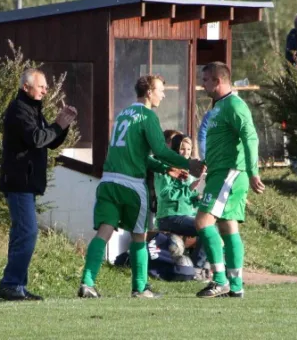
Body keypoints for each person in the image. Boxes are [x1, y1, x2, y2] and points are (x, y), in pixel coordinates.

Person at [78, 75, 204, 299]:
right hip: (131, 186)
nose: (163, 95)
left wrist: (166, 169)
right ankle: (140, 288)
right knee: (139, 236)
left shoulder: (123, 115)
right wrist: (188, 164)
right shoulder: (148, 117)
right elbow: (162, 151)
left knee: (103, 232)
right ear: (148, 92)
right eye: (160, 90)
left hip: (108, 182)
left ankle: (87, 283)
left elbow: (139, 155)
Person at [0, 68, 77, 301]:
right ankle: (10, 283)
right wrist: (57, 125)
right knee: (29, 232)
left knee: (21, 234)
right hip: (18, 182)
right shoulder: (19, 109)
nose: (45, 89)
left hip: (26, 183)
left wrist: (63, 125)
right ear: (26, 87)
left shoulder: (32, 109)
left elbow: (48, 143)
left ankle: (17, 285)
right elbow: (37, 138)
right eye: (41, 86)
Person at [194, 62, 265, 298]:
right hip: (218, 173)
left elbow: (250, 136)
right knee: (227, 227)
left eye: (205, 80)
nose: (202, 84)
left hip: (230, 173)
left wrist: (253, 171)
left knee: (203, 222)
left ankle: (220, 280)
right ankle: (236, 287)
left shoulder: (234, 105)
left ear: (217, 81)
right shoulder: (218, 107)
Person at [154, 134, 208, 279]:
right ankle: (197, 269)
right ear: (174, 150)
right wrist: (189, 189)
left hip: (188, 214)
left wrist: (198, 198)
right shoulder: (165, 168)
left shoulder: (190, 171)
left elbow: (188, 197)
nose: (185, 152)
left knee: (217, 225)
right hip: (169, 216)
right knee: (207, 229)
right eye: (182, 149)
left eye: (189, 149)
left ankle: (213, 270)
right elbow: (164, 194)